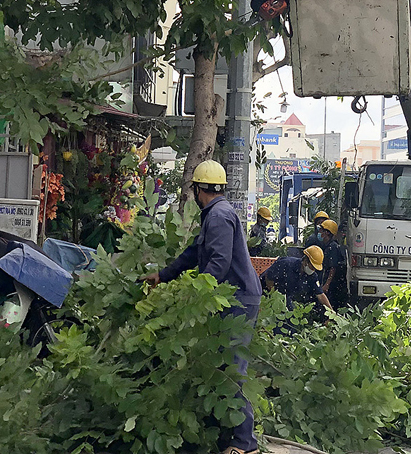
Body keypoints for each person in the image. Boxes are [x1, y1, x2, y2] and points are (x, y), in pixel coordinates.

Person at [139, 160, 261, 454]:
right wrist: (164, 275)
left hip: (238, 299)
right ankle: (228, 437)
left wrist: (196, 296)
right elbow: (194, 252)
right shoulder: (216, 214)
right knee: (221, 365)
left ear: (196, 189)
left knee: (231, 369)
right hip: (232, 296)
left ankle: (245, 443)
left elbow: (218, 262)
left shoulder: (218, 217)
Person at [261, 246, 334, 311]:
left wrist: (332, 313)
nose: (313, 270)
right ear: (305, 260)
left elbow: (320, 295)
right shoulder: (286, 264)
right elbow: (269, 278)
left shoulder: (312, 276)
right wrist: (274, 297)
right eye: (312, 267)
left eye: (315, 268)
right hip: (265, 292)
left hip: (285, 296)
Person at [317, 219, 348, 307]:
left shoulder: (333, 247)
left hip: (334, 286)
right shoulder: (327, 246)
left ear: (327, 233)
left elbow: (333, 268)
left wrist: (327, 284)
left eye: (321, 230)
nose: (319, 232)